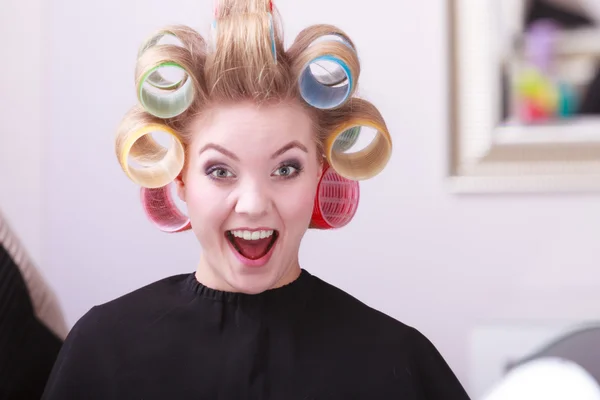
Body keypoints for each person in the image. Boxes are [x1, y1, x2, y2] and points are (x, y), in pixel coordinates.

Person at [42, 0, 471, 398]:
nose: (252, 204)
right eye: (220, 171)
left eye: (285, 169)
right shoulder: (103, 349)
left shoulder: (396, 362)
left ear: (320, 174)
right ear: (180, 181)